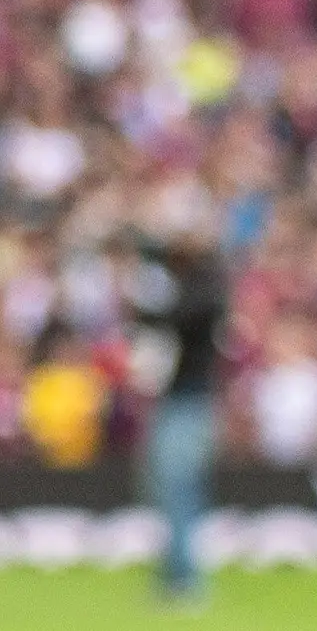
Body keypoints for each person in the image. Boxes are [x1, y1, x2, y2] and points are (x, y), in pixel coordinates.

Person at [127, 207, 231, 608]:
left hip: (191, 400)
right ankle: (175, 570)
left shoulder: (205, 288)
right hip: (178, 399)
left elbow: (177, 315)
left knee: (178, 487)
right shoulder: (189, 284)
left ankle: (184, 578)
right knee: (167, 488)